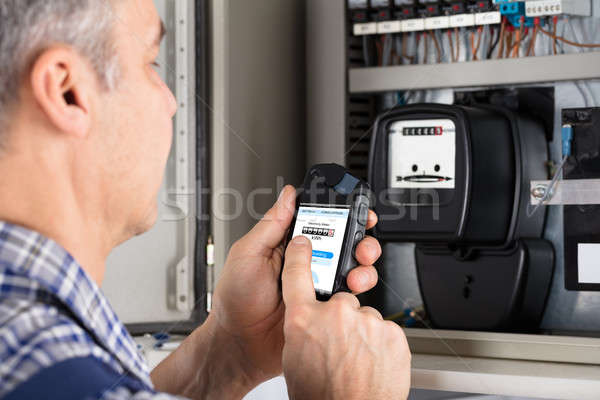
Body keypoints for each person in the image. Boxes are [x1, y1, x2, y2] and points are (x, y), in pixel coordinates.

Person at [0, 0, 411, 399]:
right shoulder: (52, 367)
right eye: (150, 64)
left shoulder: (26, 341)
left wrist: (232, 350)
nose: (171, 102)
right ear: (66, 91)